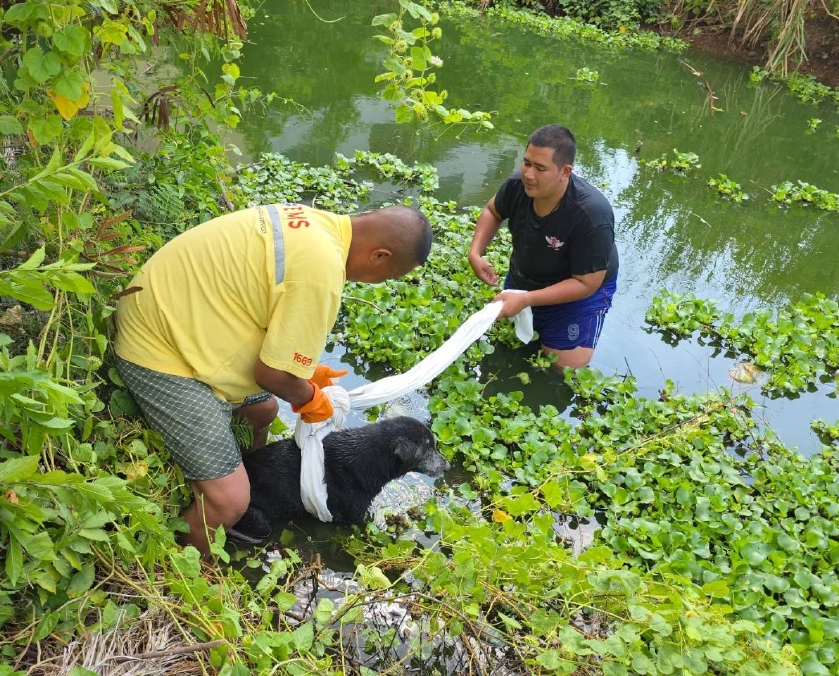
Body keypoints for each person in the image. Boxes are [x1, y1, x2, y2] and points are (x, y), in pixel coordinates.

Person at [112, 203, 432, 556]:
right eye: (386, 276)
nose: (378, 283)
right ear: (379, 255)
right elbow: (272, 375)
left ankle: (246, 474)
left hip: (166, 311)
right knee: (231, 501)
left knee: (263, 411)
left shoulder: (317, 224)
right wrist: (310, 398)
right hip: (156, 351)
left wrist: (304, 372)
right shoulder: (320, 273)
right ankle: (184, 567)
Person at [468, 124, 618, 369]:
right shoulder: (518, 185)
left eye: (540, 168)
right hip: (528, 273)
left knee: (563, 364)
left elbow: (586, 282)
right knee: (511, 336)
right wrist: (475, 252)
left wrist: (527, 299)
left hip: (579, 285)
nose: (529, 174)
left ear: (565, 171)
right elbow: (492, 210)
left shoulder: (591, 214)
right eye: (527, 163)